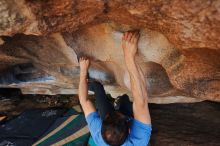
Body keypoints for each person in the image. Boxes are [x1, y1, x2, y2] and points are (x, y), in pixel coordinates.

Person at [78, 32, 152, 146]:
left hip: (111, 119)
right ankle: (120, 102)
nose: (116, 113)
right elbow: (141, 102)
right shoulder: (139, 140)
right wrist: (129, 56)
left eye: (114, 113)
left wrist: (83, 71)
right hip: (123, 118)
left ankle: (105, 94)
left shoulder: (98, 134)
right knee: (125, 99)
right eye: (118, 114)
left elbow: (84, 101)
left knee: (97, 88)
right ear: (129, 130)